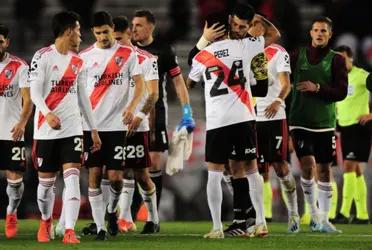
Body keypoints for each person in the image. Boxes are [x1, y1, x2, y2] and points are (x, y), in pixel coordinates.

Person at [187, 4, 280, 237]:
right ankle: (259, 222)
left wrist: (203, 42)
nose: (240, 29)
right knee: (249, 169)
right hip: (244, 116)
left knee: (216, 172)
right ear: (229, 22)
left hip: (218, 120)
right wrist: (258, 17)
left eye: (243, 26)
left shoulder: (203, 54)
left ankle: (219, 226)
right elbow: (274, 35)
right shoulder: (246, 45)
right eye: (237, 25)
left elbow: (189, 78)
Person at [29, 11, 101, 244]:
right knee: (45, 185)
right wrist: (47, 113)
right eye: (79, 30)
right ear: (69, 31)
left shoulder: (78, 62)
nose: (81, 35)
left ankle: (69, 230)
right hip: (45, 130)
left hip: (72, 129)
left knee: (72, 178)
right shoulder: (42, 57)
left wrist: (93, 129)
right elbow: (34, 93)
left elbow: (83, 99)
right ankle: (45, 219)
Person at [71, 11, 144, 240]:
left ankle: (112, 212)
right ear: (93, 32)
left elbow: (139, 85)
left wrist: (132, 106)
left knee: (115, 178)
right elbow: (78, 92)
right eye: (98, 32)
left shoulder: (128, 54)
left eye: (106, 31)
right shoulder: (84, 56)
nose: (102, 36)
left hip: (116, 126)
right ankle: (100, 225)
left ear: (113, 28)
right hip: (91, 125)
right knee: (93, 175)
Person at [131, 9, 195, 215]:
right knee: (131, 166)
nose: (134, 30)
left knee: (155, 163)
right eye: (132, 26)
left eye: (138, 25)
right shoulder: (128, 50)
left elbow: (178, 82)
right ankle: (128, 215)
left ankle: (152, 216)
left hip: (155, 113)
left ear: (151, 27)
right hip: (130, 114)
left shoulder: (164, 50)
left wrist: (187, 111)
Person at [288, 16, 348, 233]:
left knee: (324, 170)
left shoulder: (337, 60)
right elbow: (282, 81)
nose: (319, 33)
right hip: (300, 121)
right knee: (308, 165)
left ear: (330, 34)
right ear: (310, 33)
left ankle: (324, 219)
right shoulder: (296, 57)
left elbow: (341, 92)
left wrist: (317, 89)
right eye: (316, 30)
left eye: (324, 30)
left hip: (325, 123)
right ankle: (312, 213)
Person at [250, 20, 300, 233]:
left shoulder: (278, 52)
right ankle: (260, 218)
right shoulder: (247, 52)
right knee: (258, 172)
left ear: (262, 29)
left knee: (280, 166)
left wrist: (278, 100)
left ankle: (293, 213)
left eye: (253, 24)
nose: (250, 28)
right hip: (253, 117)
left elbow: (286, 83)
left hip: (275, 116)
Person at [113, 15, 161, 234]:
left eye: (120, 38)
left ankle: (153, 218)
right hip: (112, 125)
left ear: (130, 35)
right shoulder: (108, 58)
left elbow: (153, 94)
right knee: (113, 173)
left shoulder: (147, 59)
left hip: (137, 125)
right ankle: (122, 218)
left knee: (140, 174)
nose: (116, 43)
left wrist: (141, 116)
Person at [0, 24, 33, 239]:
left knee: (15, 179)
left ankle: (11, 212)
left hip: (11, 130)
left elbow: (28, 100)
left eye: (0, 41)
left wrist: (22, 123)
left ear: (7, 43)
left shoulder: (19, 66)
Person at [333, 45, 371, 224]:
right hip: (344, 127)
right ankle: (362, 215)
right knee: (356, 172)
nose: (341, 62)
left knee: (348, 166)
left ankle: (345, 213)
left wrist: (371, 115)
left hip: (359, 127)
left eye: (343, 58)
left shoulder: (362, 75)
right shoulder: (337, 78)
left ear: (351, 59)